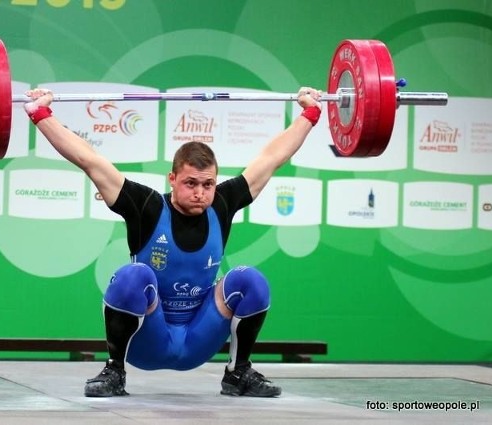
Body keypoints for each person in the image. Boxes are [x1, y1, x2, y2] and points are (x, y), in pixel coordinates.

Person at [24, 86, 322, 397]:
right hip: (147, 338)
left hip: (198, 339)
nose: (200, 192)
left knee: (250, 280)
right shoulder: (146, 206)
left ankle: (238, 373)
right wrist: (41, 114)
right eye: (191, 183)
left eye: (208, 184)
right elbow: (89, 160)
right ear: (172, 179)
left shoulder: (222, 203)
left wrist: (309, 114)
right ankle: (115, 369)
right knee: (132, 276)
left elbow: (272, 158)